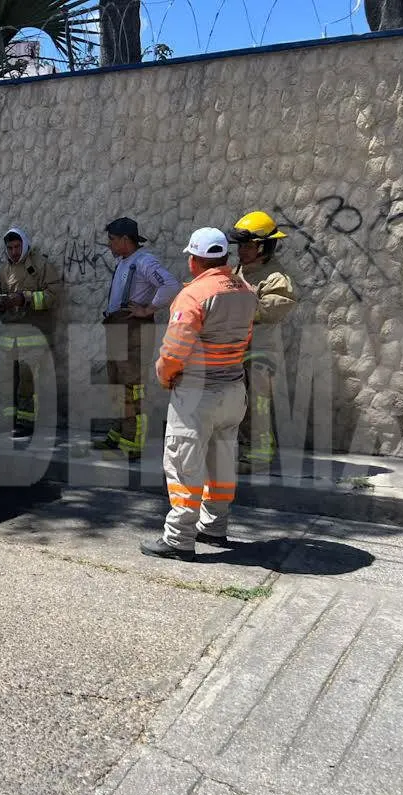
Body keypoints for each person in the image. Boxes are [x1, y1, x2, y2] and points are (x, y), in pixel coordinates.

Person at [140, 227, 258, 560]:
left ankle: (178, 540)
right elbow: (245, 337)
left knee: (183, 464)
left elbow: (175, 350)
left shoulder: (194, 295)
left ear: (195, 260)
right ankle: (215, 528)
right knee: (221, 462)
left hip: (197, 393)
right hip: (234, 389)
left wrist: (165, 376)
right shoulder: (246, 290)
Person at [94, 217, 181, 459]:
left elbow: (171, 285)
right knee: (116, 383)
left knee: (131, 387)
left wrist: (148, 309)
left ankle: (133, 442)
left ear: (124, 239)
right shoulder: (126, 261)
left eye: (112, 240)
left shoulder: (144, 261)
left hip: (133, 329)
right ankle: (118, 433)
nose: (109, 245)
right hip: (119, 327)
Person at [227, 210, 298, 472]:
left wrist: (238, 306)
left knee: (258, 403)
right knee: (239, 403)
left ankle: (259, 453)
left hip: (260, 352)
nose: (242, 251)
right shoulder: (237, 271)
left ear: (264, 246)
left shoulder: (275, 278)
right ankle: (245, 448)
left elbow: (273, 308)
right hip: (235, 349)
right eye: (241, 246)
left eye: (248, 246)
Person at [0, 227, 62, 438]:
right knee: (6, 380)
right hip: (9, 337)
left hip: (34, 335)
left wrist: (25, 298)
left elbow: (53, 296)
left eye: (17, 246)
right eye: (10, 248)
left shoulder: (41, 266)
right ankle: (8, 419)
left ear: (25, 245)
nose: (14, 251)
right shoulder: (3, 271)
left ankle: (28, 422)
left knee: (28, 380)